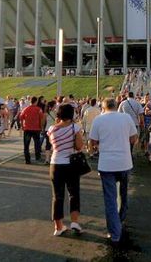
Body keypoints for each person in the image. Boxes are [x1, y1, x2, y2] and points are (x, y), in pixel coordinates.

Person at [89, 98, 138, 244]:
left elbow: (93, 141)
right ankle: (120, 219)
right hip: (124, 162)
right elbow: (133, 138)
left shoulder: (98, 120)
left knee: (110, 198)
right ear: (116, 106)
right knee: (123, 193)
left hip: (107, 164)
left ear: (103, 107)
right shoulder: (126, 118)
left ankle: (115, 232)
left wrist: (98, 147)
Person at [47, 103, 84, 236]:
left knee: (57, 196)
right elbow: (79, 146)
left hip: (55, 164)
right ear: (72, 114)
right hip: (71, 164)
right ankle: (74, 222)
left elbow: (54, 144)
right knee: (73, 193)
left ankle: (58, 227)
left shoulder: (52, 129)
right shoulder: (75, 127)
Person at [19, 96, 45, 164]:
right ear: (36, 101)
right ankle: (38, 157)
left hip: (27, 129)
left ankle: (27, 159)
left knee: (26, 144)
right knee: (37, 143)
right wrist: (41, 127)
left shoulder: (25, 109)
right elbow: (42, 119)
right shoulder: (39, 109)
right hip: (36, 129)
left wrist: (22, 126)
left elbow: (21, 117)